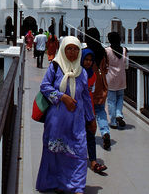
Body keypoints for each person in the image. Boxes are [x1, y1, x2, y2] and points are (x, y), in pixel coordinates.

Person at [36, 37, 95, 194]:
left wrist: (91, 118)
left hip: (76, 120)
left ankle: (77, 187)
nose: (72, 52)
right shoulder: (55, 67)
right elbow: (45, 86)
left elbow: (86, 97)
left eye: (76, 49)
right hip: (57, 119)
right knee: (57, 152)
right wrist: (63, 97)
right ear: (63, 50)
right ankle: (58, 182)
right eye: (69, 49)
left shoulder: (81, 72)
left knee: (79, 152)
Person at [81, 48, 108, 174]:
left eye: (90, 61)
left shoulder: (92, 74)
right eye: (86, 60)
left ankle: (93, 161)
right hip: (76, 109)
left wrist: (92, 113)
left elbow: (90, 93)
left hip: (88, 108)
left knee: (90, 135)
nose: (88, 63)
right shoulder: (77, 73)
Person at [86, 28, 111, 150]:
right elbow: (106, 68)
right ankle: (105, 132)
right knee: (101, 110)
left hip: (89, 84)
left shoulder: (86, 52)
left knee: (88, 112)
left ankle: (89, 134)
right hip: (101, 84)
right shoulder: (103, 51)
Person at [106, 31, 130, 129]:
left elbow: (105, 64)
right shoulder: (124, 50)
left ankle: (113, 122)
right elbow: (127, 65)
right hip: (122, 78)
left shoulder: (107, 51)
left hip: (110, 78)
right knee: (120, 98)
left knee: (111, 101)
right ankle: (119, 114)